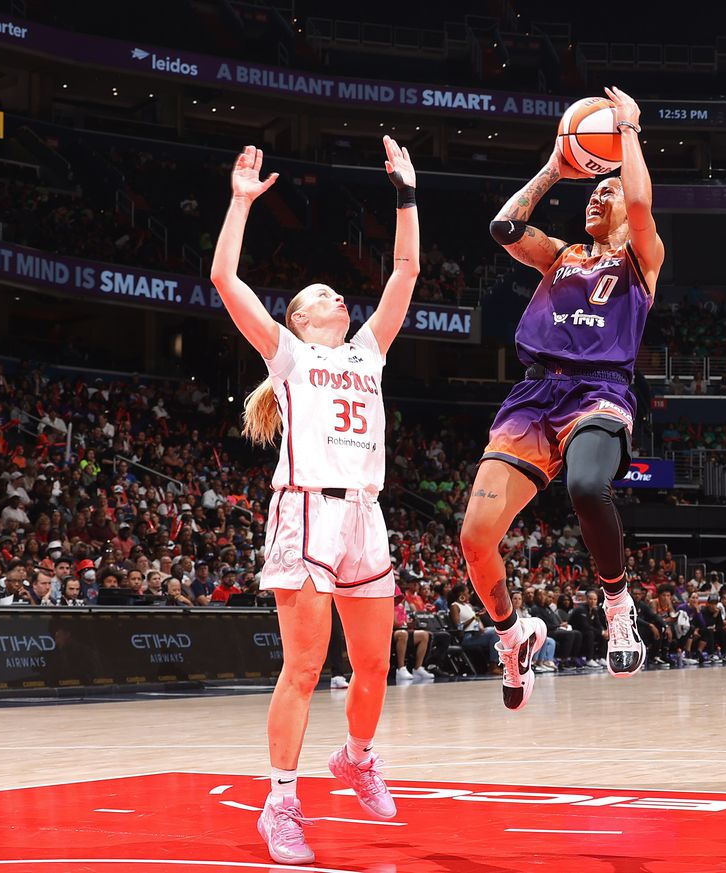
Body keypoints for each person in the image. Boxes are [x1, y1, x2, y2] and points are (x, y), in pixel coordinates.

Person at [212, 139, 418, 865]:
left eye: (338, 293)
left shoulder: (368, 352)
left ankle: (357, 756)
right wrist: (240, 202)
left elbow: (405, 269)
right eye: (320, 296)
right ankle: (280, 803)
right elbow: (223, 276)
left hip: (365, 512)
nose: (338, 296)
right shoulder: (291, 356)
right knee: (304, 667)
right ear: (298, 320)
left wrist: (406, 193)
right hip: (306, 510)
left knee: (372, 664)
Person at [459, 86, 663, 710]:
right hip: (534, 395)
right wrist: (555, 165)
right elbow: (504, 227)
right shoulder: (560, 256)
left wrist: (628, 129)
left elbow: (637, 199)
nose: (599, 196)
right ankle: (512, 633)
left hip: (598, 391)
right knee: (474, 539)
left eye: (607, 192)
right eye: (593, 191)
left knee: (584, 487)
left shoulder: (641, 259)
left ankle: (618, 604)